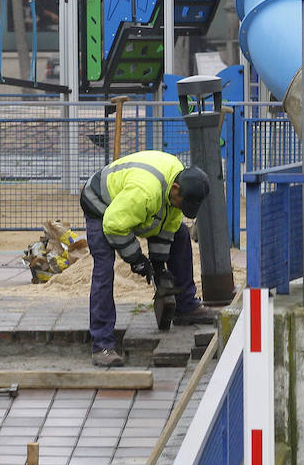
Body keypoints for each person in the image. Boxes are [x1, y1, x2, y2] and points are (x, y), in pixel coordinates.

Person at [79, 150, 217, 367]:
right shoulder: (145, 192)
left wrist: (159, 266)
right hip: (101, 206)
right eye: (182, 203)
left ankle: (186, 306)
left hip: (129, 207)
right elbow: (113, 225)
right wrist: (136, 258)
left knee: (180, 235)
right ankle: (102, 344)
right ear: (175, 189)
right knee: (104, 268)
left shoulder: (176, 187)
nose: (182, 207)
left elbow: (167, 226)